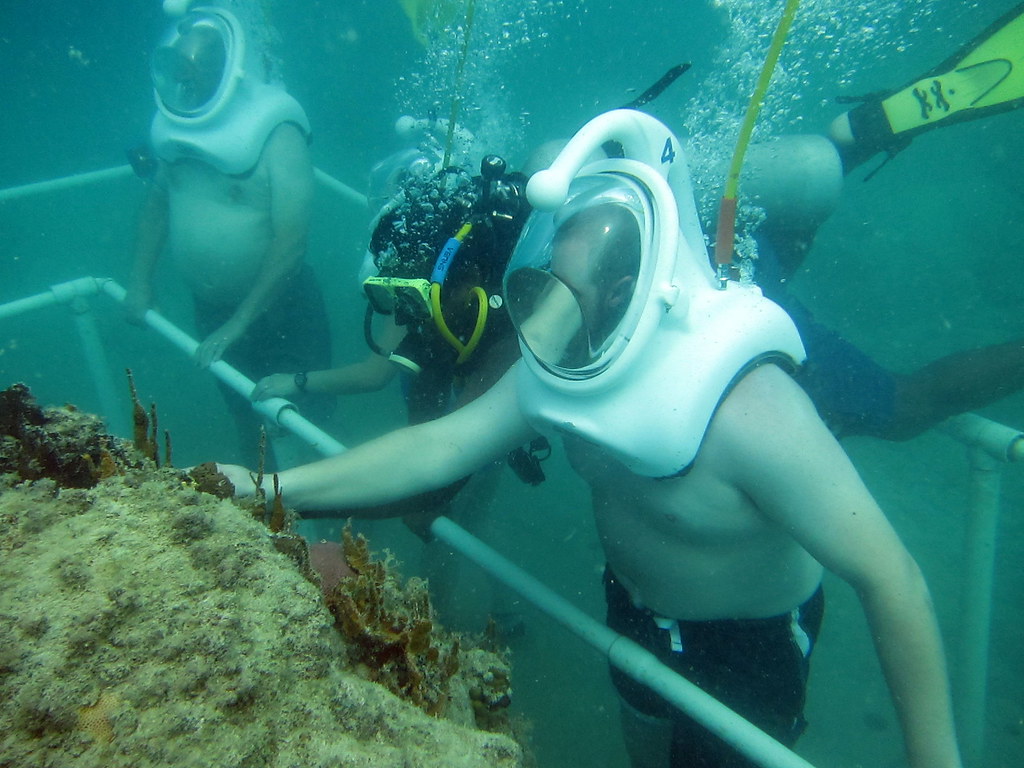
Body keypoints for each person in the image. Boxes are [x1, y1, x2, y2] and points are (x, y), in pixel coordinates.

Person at [215, 110, 963, 768]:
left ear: (628, 282)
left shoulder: (749, 405)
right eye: (548, 281)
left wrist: (934, 758)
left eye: (574, 292)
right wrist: (265, 490)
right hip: (633, 608)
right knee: (643, 739)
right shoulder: (564, 328)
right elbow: (440, 449)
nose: (551, 314)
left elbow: (893, 579)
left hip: (748, 644)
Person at [252, 135, 542, 632]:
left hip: (508, 382)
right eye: (392, 296)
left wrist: (273, 492)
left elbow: (442, 456)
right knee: (449, 511)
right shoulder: (435, 308)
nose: (409, 317)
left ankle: (471, 618)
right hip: (474, 387)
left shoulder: (516, 321)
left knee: (458, 504)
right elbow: (427, 412)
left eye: (414, 296)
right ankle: (469, 614)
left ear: (469, 275)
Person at [739, 0, 1024, 440]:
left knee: (908, 403)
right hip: (666, 222)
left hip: (693, 309)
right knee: (767, 235)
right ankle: (857, 136)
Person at [124, 2, 331, 465]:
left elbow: (291, 242)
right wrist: (140, 279)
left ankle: (322, 525)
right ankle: (258, 517)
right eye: (178, 70)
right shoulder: (173, 130)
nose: (187, 81)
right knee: (244, 416)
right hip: (212, 312)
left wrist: (240, 322)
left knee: (304, 423)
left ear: (226, 69)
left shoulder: (277, 132)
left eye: (197, 70)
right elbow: (158, 203)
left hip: (283, 313)